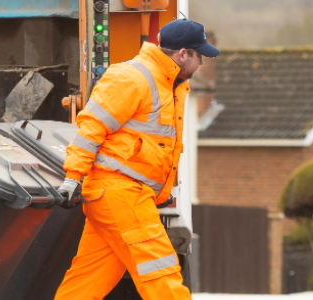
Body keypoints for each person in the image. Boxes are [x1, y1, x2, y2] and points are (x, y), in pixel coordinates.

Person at [53, 18, 218, 299]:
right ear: (182, 54)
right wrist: (72, 176)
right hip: (121, 194)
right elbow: (91, 127)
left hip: (117, 195)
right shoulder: (133, 77)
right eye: (199, 55)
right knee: (161, 273)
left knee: (86, 282)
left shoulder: (169, 85)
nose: (202, 62)